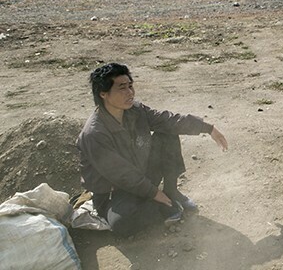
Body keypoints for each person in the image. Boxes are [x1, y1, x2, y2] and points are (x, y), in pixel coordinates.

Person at [77, 63, 228, 237]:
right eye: (121, 88)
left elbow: (168, 120)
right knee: (121, 224)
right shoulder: (94, 133)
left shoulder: (136, 110)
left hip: (140, 172)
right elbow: (121, 174)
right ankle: (162, 205)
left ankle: (171, 192)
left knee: (167, 133)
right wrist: (154, 192)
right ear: (103, 94)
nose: (130, 92)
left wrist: (207, 128)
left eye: (130, 86)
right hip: (115, 190)